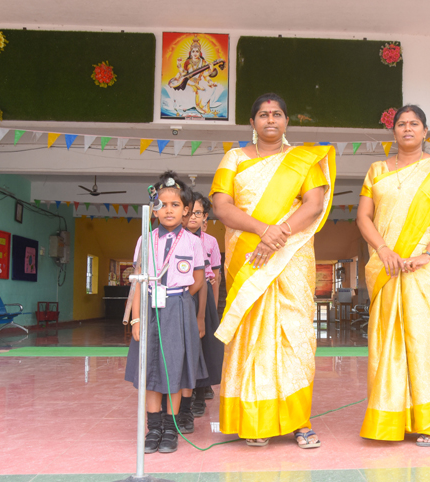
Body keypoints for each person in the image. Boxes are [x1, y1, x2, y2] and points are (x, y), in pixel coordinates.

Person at [210, 93, 336, 448]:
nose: (270, 120)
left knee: (294, 334)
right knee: (251, 334)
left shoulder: (302, 159)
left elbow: (314, 203)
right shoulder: (234, 158)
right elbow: (221, 205)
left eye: (277, 114)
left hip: (291, 254)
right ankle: (256, 420)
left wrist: (279, 234)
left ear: (286, 121)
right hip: (249, 256)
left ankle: (300, 421)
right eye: (263, 114)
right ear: (252, 122)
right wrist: (263, 231)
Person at [356, 105, 430, 447]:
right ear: (393, 131)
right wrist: (383, 250)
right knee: (388, 341)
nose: (407, 128)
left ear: (425, 131)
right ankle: (389, 420)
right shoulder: (377, 170)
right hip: (387, 264)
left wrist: (427, 254)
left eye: (414, 124)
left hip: (425, 266)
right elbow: (364, 217)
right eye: (402, 124)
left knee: (426, 339)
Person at [124, 171, 208, 454]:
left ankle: (171, 428)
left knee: (173, 369)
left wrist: (178, 299)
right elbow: (138, 282)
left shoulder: (193, 242)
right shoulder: (145, 240)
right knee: (150, 369)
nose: (168, 210)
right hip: (148, 306)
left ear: (186, 210)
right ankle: (154, 428)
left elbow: (198, 280)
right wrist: (136, 318)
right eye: (162, 204)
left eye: (175, 205)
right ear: (154, 209)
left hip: (177, 307)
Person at [185, 192, 223, 417]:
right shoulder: (178, 238)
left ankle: (200, 395)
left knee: (205, 346)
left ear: (205, 216)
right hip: (182, 292)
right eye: (189, 212)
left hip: (204, 295)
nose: (193, 217)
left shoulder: (210, 242)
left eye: (198, 213)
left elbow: (215, 276)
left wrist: (213, 308)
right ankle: (186, 395)